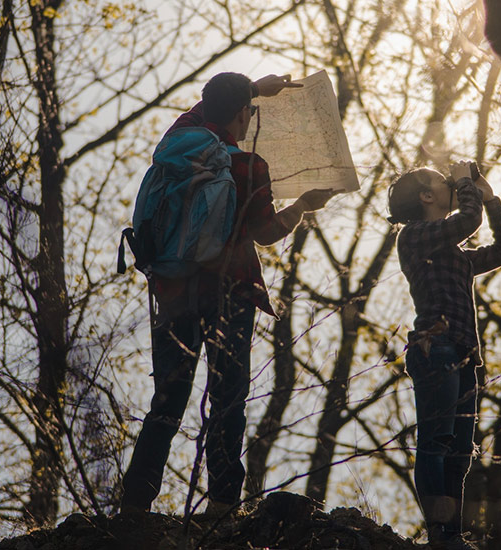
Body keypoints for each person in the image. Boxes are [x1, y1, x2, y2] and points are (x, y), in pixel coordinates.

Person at [120, 72, 338, 517]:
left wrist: (251, 88)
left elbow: (202, 112)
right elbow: (263, 231)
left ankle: (134, 507)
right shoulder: (249, 165)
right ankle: (222, 507)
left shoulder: (180, 140)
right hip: (229, 295)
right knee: (226, 402)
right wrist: (301, 207)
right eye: (248, 111)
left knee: (166, 402)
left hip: (173, 292)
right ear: (242, 114)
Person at [387, 161, 501, 549]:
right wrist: (464, 181)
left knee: (460, 452)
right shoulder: (414, 236)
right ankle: (439, 535)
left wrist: (490, 196)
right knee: (436, 441)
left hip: (463, 355)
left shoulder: (455, 254)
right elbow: (468, 221)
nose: (450, 184)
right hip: (435, 349)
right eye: (441, 182)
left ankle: (451, 536)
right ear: (426, 196)